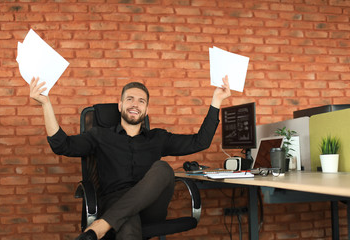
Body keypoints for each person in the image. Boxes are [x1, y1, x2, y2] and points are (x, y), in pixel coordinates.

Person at [29, 76, 231, 240]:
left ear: (147, 109)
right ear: (120, 105)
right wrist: (46, 104)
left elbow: (200, 142)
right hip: (115, 202)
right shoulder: (100, 135)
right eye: (130, 99)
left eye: (141, 101)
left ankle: (102, 225)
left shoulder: (158, 138)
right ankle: (111, 221)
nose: (135, 104)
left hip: (151, 208)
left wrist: (217, 101)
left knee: (163, 168)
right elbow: (61, 145)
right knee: (128, 227)